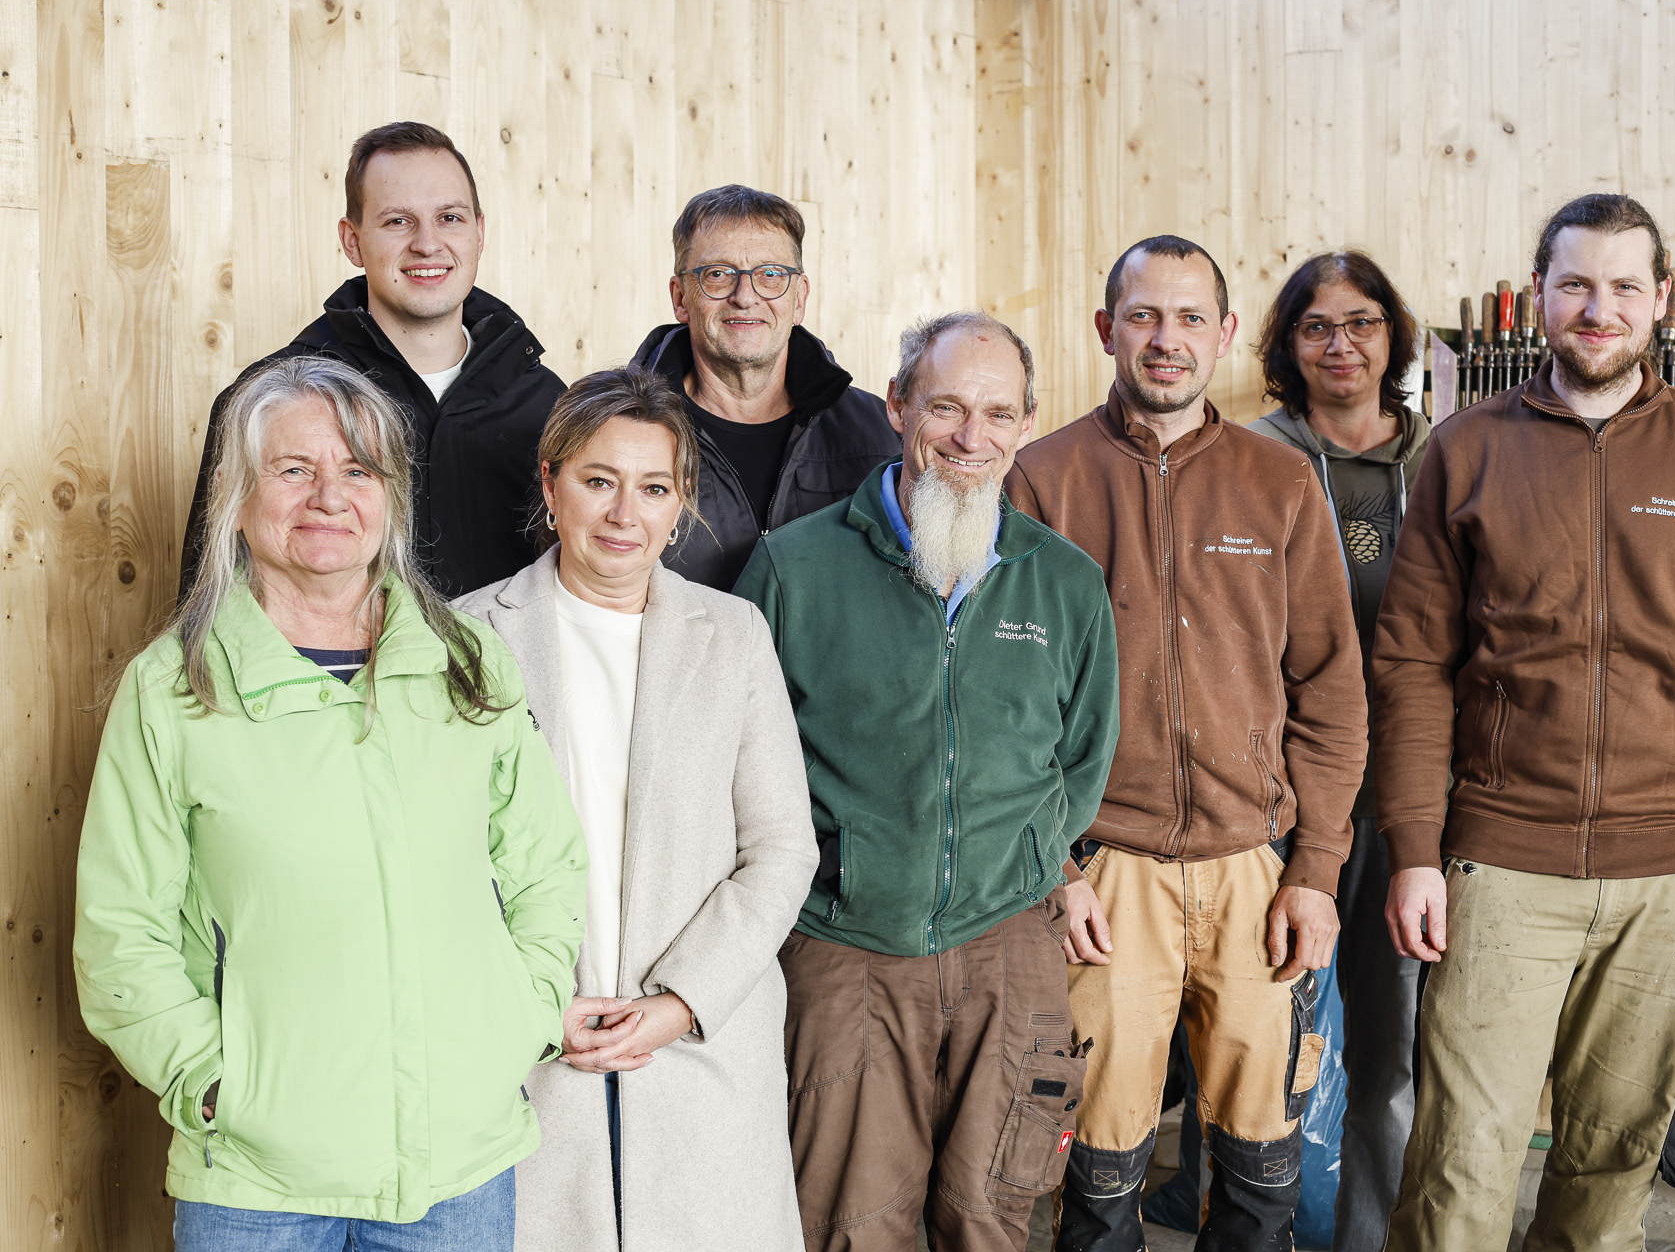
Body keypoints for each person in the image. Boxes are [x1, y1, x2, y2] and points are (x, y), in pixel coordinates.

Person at [1373, 194, 1675, 1250]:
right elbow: (1413, 666)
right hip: (1502, 859)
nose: (1598, 309)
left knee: (1612, 1162)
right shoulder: (1466, 449)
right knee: (1460, 1156)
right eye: (1575, 284)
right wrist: (1416, 850)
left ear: (1660, 301)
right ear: (1540, 295)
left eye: (1622, 287)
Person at [74, 357, 587, 1251]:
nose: (329, 496)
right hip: (257, 1182)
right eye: (293, 469)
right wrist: (215, 1084)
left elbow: (547, 867)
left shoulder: (468, 663)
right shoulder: (172, 689)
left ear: (391, 499)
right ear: (238, 498)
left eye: (358, 470)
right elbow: (120, 929)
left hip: (458, 1173)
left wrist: (522, 1021)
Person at [1005, 235, 1368, 1252]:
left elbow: (1331, 688)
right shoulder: (1042, 479)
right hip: (1105, 872)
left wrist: (1315, 871)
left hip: (1255, 867)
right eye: (1144, 316)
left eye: (1190, 318)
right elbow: (1004, 703)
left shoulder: (1280, 481)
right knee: (1100, 1158)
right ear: (1106, 329)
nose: (1167, 339)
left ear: (1225, 334)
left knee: (1261, 1163)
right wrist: (1056, 867)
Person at [732, 311, 1121, 1252]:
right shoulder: (794, 566)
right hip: (843, 945)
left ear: (1027, 423)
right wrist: (837, 871)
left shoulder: (1065, 583)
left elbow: (1083, 758)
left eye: (998, 413)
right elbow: (734, 758)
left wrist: (1026, 863)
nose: (970, 436)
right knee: (848, 1223)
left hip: (1008, 944)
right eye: (946, 407)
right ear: (898, 406)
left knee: (994, 1216)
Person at [455, 366, 816, 1252]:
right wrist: (534, 1007)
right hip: (530, 1054)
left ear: (680, 500)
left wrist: (682, 1000)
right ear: (551, 485)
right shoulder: (463, 637)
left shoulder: (733, 635)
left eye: (653, 488)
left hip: (700, 1050)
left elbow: (781, 849)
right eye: (598, 481)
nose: (625, 514)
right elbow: (436, 861)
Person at [1245, 250, 1431, 1252]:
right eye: (1316, 326)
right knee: (1262, 1028)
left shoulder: (1445, 458)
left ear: (1394, 337)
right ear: (1287, 345)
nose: (1341, 344)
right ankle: (1255, 1223)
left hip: (1408, 794)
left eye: (1362, 322)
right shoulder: (1249, 458)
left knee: (1393, 1043)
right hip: (1284, 793)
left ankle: (1367, 1235)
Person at [180, 121, 565, 600]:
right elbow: (209, 595)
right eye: (398, 221)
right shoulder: (272, 400)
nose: (428, 243)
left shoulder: (547, 404)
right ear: (352, 240)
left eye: (450, 217)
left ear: (479, 233)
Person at [631, 185, 899, 592]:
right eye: (717, 274)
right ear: (680, 298)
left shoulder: (880, 433)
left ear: (799, 299)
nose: (745, 297)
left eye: (771, 275)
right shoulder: (618, 430)